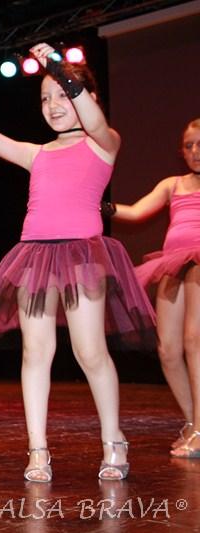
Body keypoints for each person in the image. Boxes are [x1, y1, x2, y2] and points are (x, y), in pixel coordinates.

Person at [0, 44, 155, 480]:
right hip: (33, 257)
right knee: (35, 352)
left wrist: (56, 66)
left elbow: (94, 119)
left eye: (62, 95)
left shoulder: (104, 143)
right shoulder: (38, 154)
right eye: (45, 98)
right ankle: (37, 449)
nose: (52, 105)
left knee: (90, 351)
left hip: (82, 256)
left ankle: (113, 440)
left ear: (87, 97)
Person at [108, 118, 200, 458]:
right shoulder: (173, 185)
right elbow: (136, 211)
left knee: (194, 340)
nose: (195, 151)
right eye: (189, 146)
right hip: (173, 263)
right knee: (168, 349)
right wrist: (102, 207)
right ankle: (193, 421)